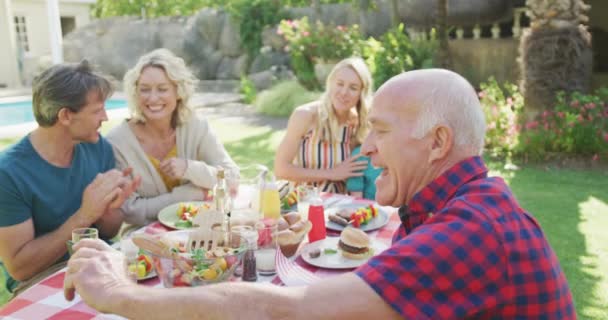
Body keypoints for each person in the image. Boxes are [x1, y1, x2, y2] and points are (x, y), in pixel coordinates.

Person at [65, 69, 575, 319]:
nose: (369, 148)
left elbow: (289, 309)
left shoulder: (471, 231)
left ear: (438, 142)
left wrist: (119, 294)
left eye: (382, 131)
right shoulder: (463, 206)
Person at [0, 61, 140, 295]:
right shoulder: (9, 173)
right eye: (97, 110)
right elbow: (20, 269)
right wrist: (85, 215)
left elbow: (110, 231)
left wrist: (110, 208)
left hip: (99, 267)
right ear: (65, 115)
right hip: (40, 282)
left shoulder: (99, 148)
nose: (105, 117)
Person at [106, 49, 238, 225]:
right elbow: (129, 210)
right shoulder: (118, 142)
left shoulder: (197, 127)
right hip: (144, 240)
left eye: (162, 89)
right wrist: (190, 195)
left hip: (202, 233)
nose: (153, 98)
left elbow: (232, 178)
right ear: (135, 93)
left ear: (178, 92)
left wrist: (189, 168)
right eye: (144, 90)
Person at [274, 57, 371, 194]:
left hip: (344, 205)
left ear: (361, 92)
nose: (344, 92)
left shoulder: (359, 125)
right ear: (330, 83)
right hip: (303, 202)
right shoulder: (306, 116)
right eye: (340, 84)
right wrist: (332, 173)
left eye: (353, 88)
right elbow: (281, 169)